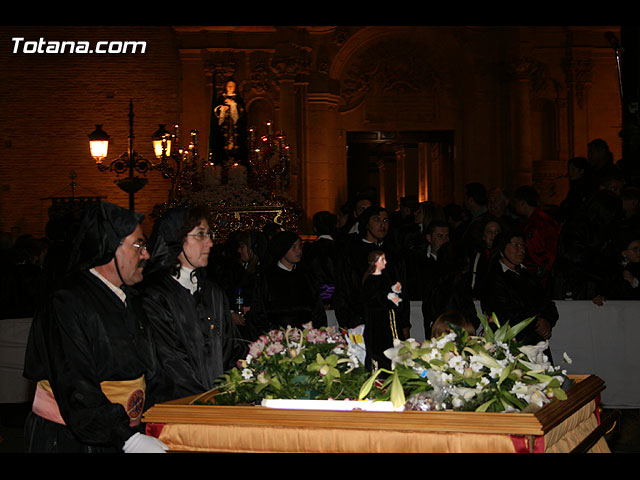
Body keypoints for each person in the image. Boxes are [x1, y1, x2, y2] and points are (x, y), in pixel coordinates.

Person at [22, 201, 167, 453]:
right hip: (72, 439)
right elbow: (75, 384)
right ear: (110, 247)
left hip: (121, 433)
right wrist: (127, 438)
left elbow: (149, 370)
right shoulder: (67, 302)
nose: (146, 254)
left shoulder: (129, 298)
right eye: (139, 245)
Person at [141, 206, 245, 409]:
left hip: (218, 406)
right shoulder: (154, 295)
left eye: (209, 234)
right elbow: (169, 363)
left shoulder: (213, 292)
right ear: (176, 239)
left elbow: (230, 349)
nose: (210, 243)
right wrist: (206, 402)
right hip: (178, 409)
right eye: (200, 235)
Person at [333, 206, 409, 332]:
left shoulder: (394, 253)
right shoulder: (352, 253)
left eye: (385, 221)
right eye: (377, 220)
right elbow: (343, 288)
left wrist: (405, 323)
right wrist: (344, 320)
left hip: (391, 320)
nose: (382, 225)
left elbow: (402, 289)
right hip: (361, 320)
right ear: (367, 224)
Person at [481, 229, 558, 348]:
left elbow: (547, 303)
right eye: (516, 245)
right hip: (511, 343)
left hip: (536, 341)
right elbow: (505, 312)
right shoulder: (493, 278)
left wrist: (546, 321)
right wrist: (537, 323)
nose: (521, 250)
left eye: (523, 246)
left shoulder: (528, 275)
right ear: (502, 249)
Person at [251, 230, 327, 333]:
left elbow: (318, 311)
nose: (299, 251)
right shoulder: (266, 278)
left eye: (300, 246)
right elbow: (258, 312)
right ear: (282, 249)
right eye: (293, 247)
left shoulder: (307, 276)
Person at [361, 250, 408, 370]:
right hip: (377, 324)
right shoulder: (369, 280)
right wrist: (387, 297)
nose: (385, 262)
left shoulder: (385, 277)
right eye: (382, 259)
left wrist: (395, 291)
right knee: (379, 353)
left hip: (389, 321)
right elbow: (373, 298)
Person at [512, 185, 561, 287]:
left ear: (522, 203)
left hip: (542, 278)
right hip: (529, 275)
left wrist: (541, 272)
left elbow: (553, 250)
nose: (514, 206)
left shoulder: (544, 222)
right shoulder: (525, 224)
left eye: (515, 202)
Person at [303, 211, 339, 309]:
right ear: (335, 227)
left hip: (316, 299)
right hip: (338, 299)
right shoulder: (341, 248)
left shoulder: (309, 250)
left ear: (315, 229)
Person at [211, 78, 247, 167]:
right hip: (223, 131)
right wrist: (222, 109)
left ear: (235, 88)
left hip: (236, 131)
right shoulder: (221, 99)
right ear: (226, 87)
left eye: (232, 86)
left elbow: (240, 116)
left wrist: (233, 105)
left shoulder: (239, 100)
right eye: (229, 86)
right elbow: (216, 116)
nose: (230, 88)